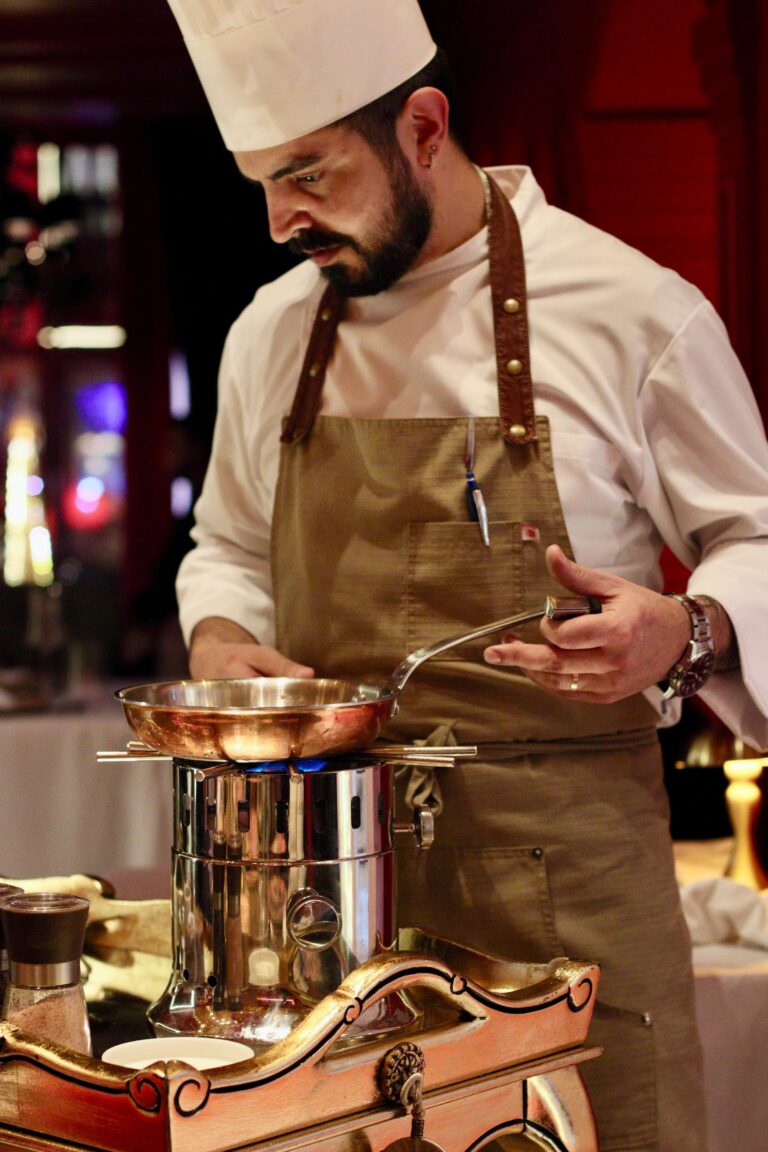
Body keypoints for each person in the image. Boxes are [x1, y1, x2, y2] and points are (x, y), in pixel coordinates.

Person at [166, 1, 768, 1149]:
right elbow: (228, 548)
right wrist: (218, 638)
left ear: (425, 127)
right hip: (335, 915)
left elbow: (760, 539)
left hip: (572, 905)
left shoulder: (634, 313)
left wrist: (683, 630)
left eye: (309, 175)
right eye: (259, 182)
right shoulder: (270, 335)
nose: (281, 219)